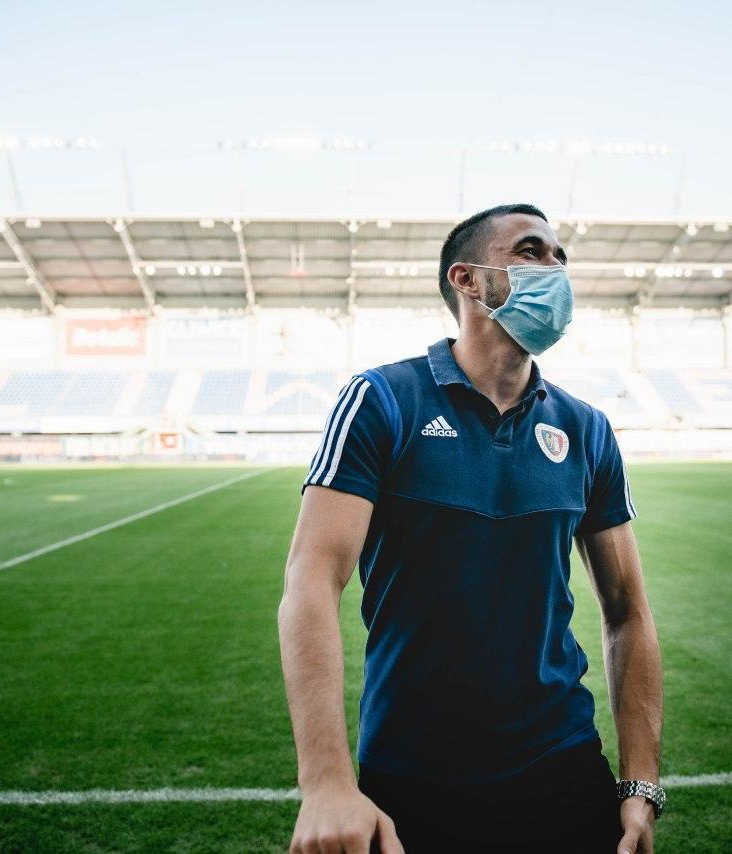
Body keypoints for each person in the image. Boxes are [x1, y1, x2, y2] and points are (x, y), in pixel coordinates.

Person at [278, 204, 664, 854]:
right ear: (467, 279)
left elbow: (628, 611)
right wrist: (325, 783)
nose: (555, 270)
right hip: (412, 776)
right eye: (531, 252)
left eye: (560, 258)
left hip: (564, 767)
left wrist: (640, 783)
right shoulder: (382, 400)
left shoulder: (586, 429)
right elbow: (311, 581)